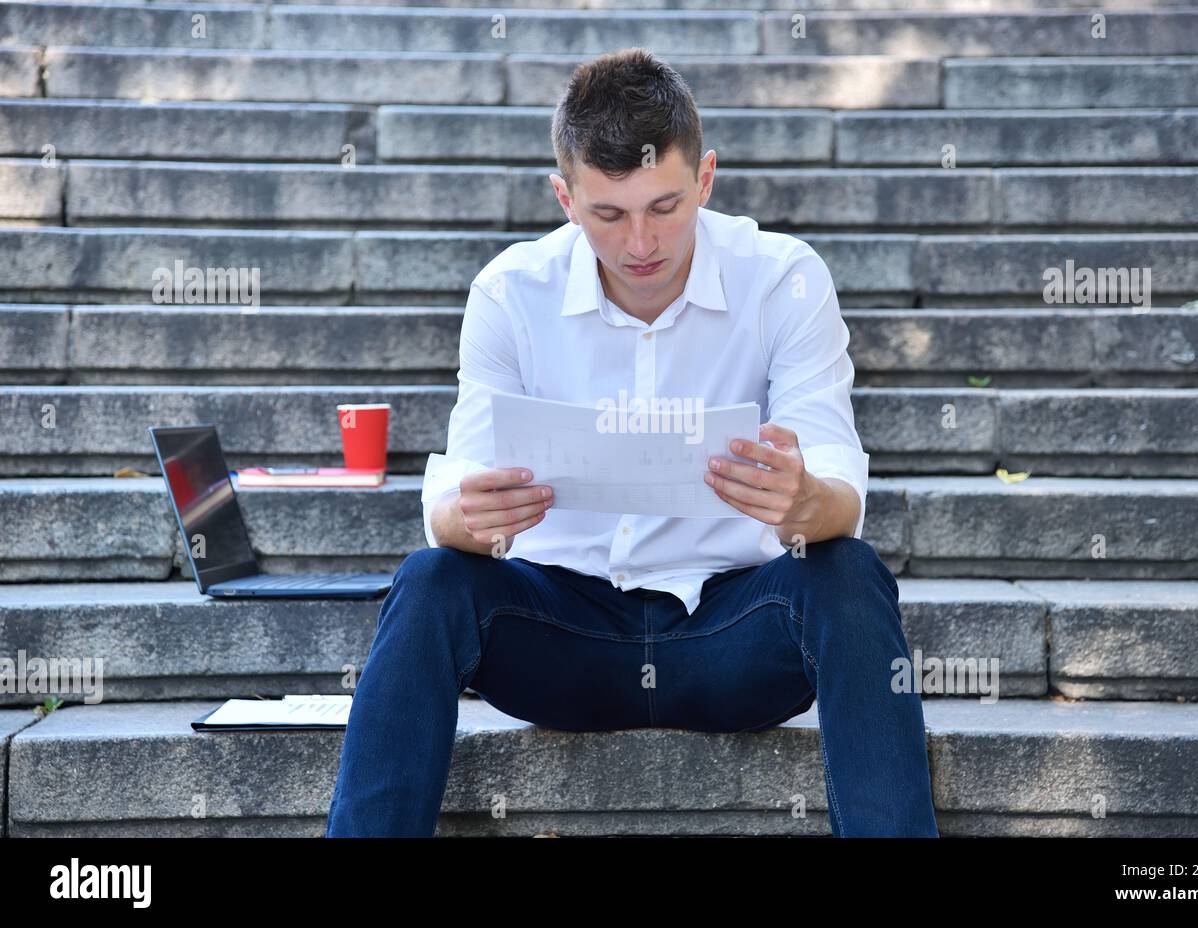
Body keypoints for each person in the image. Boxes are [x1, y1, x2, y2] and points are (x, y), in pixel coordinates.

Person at [325, 47, 939, 838]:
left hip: (733, 633)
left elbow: (837, 491)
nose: (641, 242)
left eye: (665, 206)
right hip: (564, 636)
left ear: (706, 178)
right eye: (609, 214)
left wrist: (806, 501)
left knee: (848, 575)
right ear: (565, 198)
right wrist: (466, 520)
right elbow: (451, 506)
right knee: (431, 580)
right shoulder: (511, 292)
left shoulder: (783, 277)